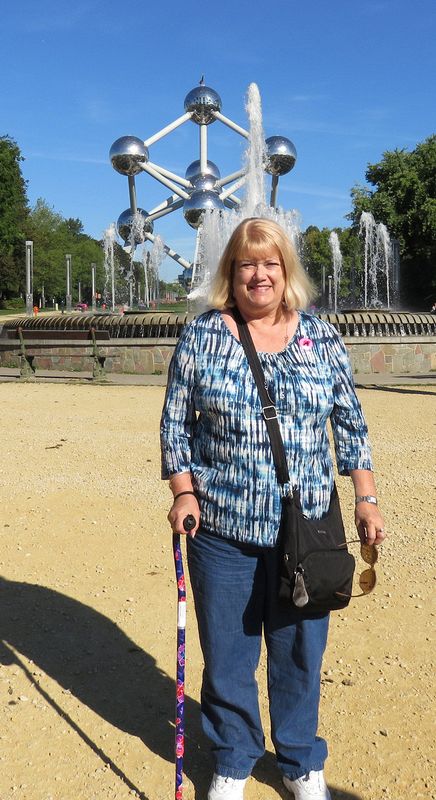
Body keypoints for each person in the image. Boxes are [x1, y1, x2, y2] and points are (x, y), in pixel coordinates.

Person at [160, 218, 386, 800]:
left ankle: (298, 760)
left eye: (270, 264)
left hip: (307, 529)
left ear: (286, 272)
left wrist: (364, 497)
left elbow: (350, 421)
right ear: (230, 274)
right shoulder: (203, 336)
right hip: (223, 531)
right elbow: (175, 425)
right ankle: (234, 758)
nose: (258, 275)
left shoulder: (320, 336)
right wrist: (184, 491)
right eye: (245, 264)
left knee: (299, 652)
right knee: (229, 656)